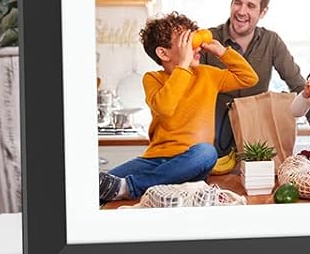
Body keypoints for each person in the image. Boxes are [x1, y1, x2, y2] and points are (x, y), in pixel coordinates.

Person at [99, 12, 256, 204]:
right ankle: (140, 184)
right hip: (154, 160)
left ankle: (130, 187)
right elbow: (165, 107)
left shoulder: (207, 75)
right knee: (96, 185)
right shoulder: (153, 79)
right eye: (185, 41)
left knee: (207, 153)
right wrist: (183, 65)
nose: (195, 46)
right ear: (163, 53)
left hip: (191, 162)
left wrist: (223, 52)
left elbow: (249, 78)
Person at [202, 0, 306, 169]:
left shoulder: (271, 42)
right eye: (237, 3)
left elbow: (301, 88)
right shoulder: (209, 39)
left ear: (263, 11)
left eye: (250, 6)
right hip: (211, 142)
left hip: (256, 143)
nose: (241, 11)